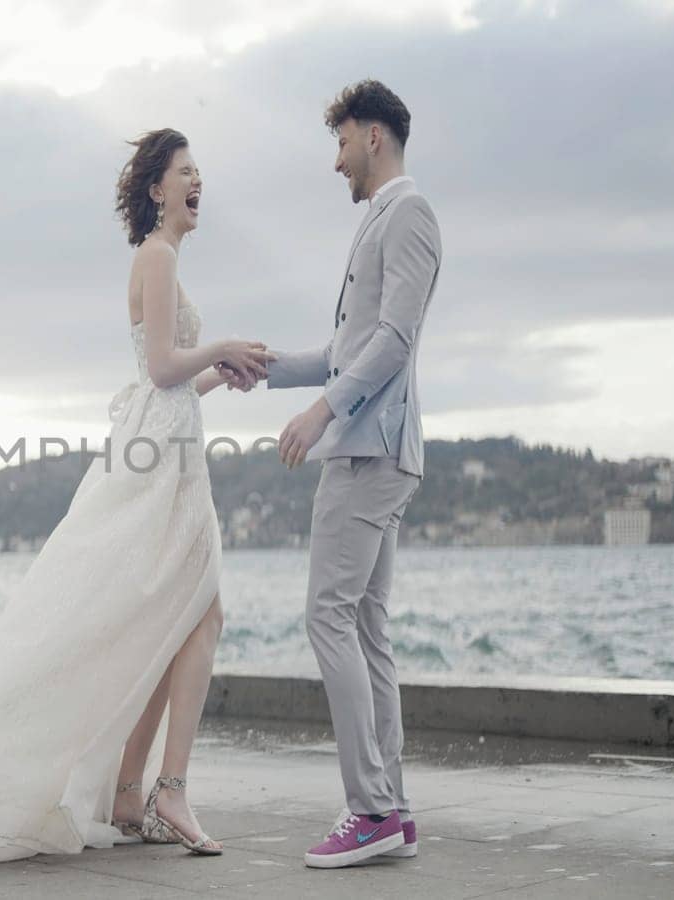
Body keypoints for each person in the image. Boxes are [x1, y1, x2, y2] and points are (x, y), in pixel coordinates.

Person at [0, 128, 274, 865]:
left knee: (179, 615)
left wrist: (226, 372)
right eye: (186, 173)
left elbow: (176, 378)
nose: (198, 185)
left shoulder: (166, 262)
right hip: (159, 463)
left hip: (168, 448)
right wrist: (217, 348)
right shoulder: (156, 256)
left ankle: (136, 794)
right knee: (199, 610)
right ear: (157, 189)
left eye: (201, 175)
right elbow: (160, 366)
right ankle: (165, 790)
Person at [267, 80, 444, 869]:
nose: (335, 162)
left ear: (373, 136)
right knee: (367, 628)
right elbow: (348, 348)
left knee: (326, 618)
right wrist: (261, 368)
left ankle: (369, 807)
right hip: (378, 447)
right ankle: (392, 807)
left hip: (369, 451)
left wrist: (321, 414)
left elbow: (395, 341)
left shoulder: (407, 213)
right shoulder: (381, 219)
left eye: (340, 144)